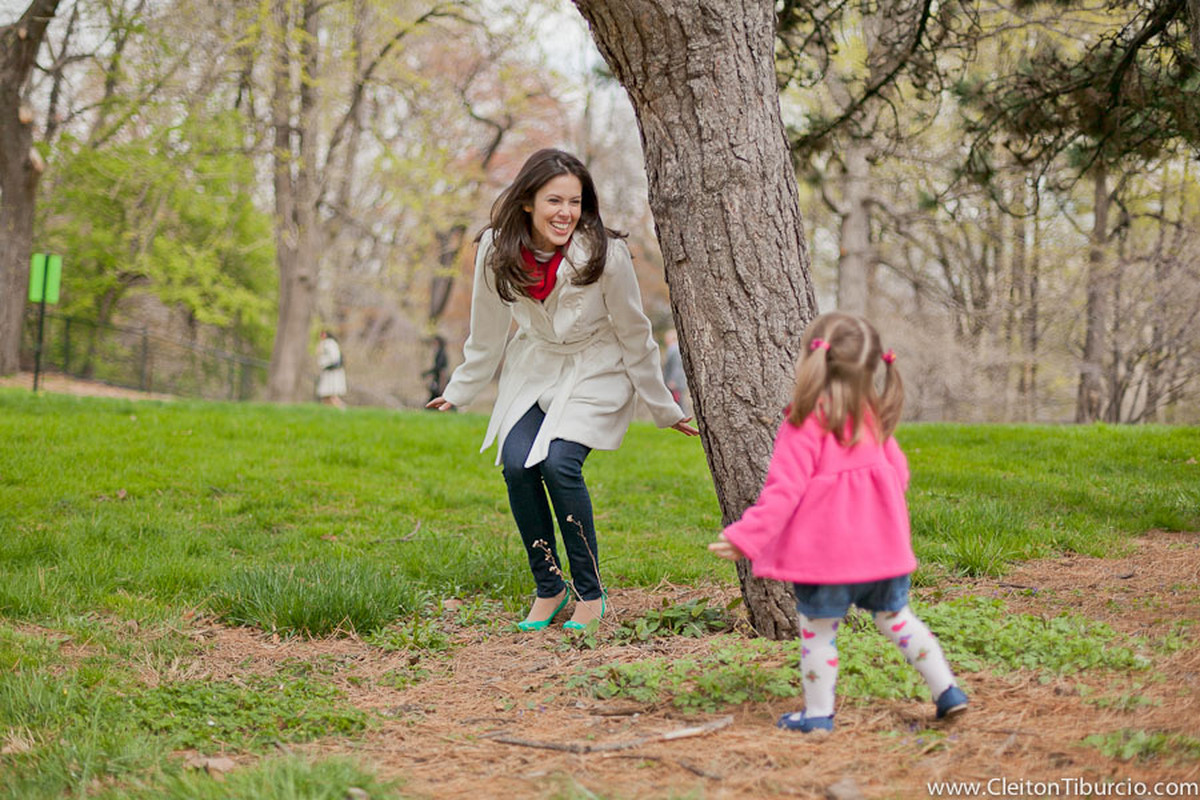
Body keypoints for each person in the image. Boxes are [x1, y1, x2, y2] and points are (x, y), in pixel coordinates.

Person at [427, 148, 699, 631]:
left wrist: (663, 405)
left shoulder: (605, 254)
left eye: (575, 202)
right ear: (527, 201)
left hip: (596, 367)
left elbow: (635, 334)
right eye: (554, 200)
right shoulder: (495, 249)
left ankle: (590, 594)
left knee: (558, 464)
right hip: (536, 366)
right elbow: (486, 332)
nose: (565, 213)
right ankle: (549, 587)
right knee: (517, 465)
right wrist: (461, 388)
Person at [709, 311, 967, 732]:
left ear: (812, 360)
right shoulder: (873, 420)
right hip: (882, 556)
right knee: (897, 619)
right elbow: (899, 476)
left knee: (818, 633)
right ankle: (948, 691)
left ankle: (817, 716)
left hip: (825, 560)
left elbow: (783, 493)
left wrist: (745, 537)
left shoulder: (803, 423)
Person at [661, 328, 690, 415]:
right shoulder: (673, 349)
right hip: (675, 381)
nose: (665, 340)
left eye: (667, 338)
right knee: (677, 401)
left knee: (678, 402)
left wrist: (673, 381)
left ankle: (683, 417)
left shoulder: (674, 349)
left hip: (675, 382)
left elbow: (677, 366)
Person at [316, 330, 347, 409]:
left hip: (332, 372)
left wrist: (325, 364)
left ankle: (343, 409)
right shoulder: (324, 343)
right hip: (327, 372)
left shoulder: (329, 343)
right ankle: (329, 411)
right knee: (325, 396)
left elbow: (334, 358)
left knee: (332, 395)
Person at [422, 335, 449, 405]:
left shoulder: (441, 353)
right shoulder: (439, 353)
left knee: (437, 396)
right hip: (438, 378)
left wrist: (427, 373)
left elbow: (439, 368)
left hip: (441, 379)